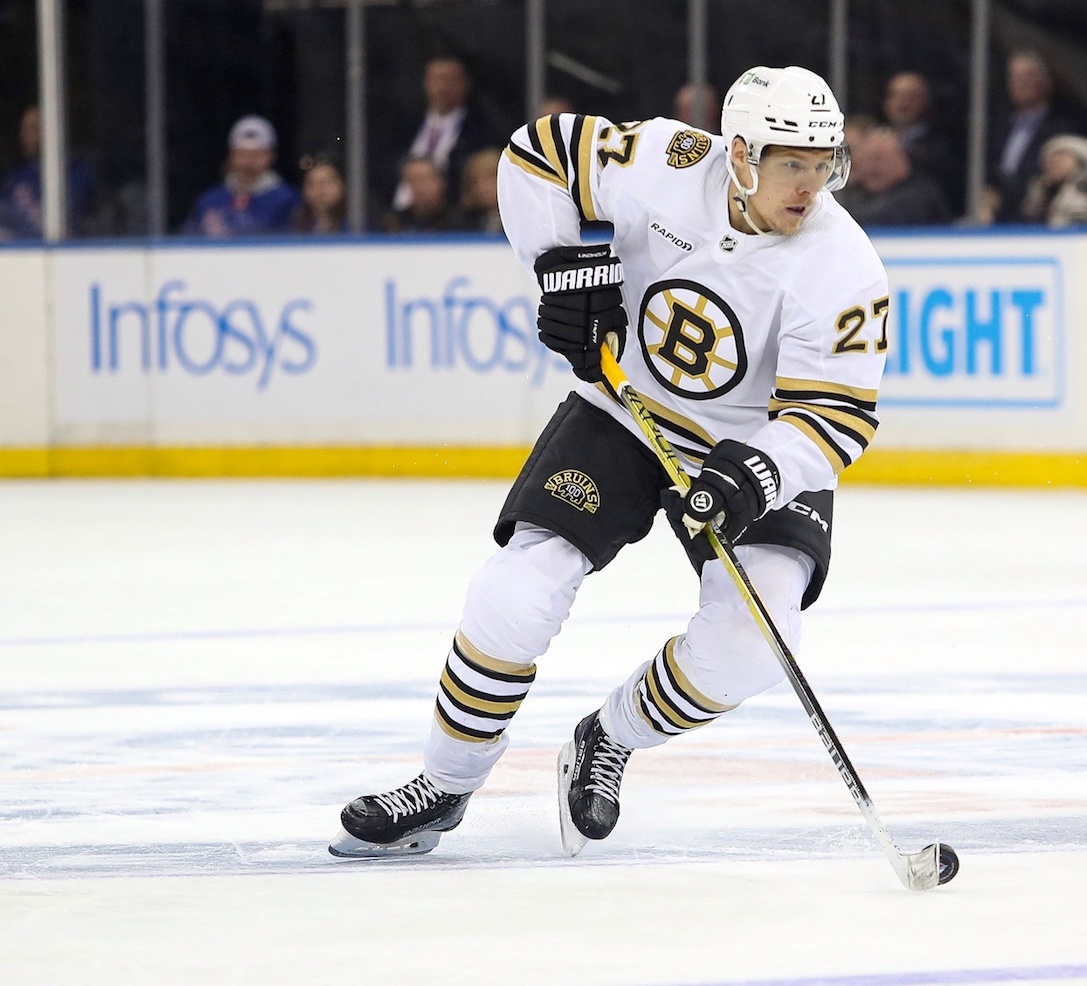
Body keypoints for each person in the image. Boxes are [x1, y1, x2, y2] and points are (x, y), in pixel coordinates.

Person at [329, 65, 889, 860]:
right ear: (737, 154)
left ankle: (609, 737)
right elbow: (536, 155)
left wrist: (753, 475)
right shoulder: (666, 160)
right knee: (514, 592)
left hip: (749, 449)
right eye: (788, 161)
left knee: (752, 648)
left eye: (823, 161)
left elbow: (833, 418)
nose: (811, 184)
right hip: (625, 411)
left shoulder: (845, 269)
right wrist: (557, 263)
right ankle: (445, 786)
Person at [391, 55, 496, 211]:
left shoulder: (482, 132)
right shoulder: (400, 127)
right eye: (436, 79)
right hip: (394, 223)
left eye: (450, 79)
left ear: (465, 84)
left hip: (451, 224)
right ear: (425, 82)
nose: (442, 87)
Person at [989, 49, 1078, 223]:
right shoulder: (998, 126)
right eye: (1015, 77)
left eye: (1028, 76)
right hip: (999, 219)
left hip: (1040, 218)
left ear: (1046, 83)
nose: (1020, 82)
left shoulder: (1063, 127)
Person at [0, 105, 96, 241]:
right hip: (22, 257)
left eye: (33, 129)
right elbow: (0, 229)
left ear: (52, 131)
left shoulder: (78, 174)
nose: (25, 136)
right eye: (24, 129)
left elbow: (88, 226)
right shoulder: (16, 179)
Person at [182, 115, 299, 237]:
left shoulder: (287, 199)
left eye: (257, 155)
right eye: (242, 154)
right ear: (231, 155)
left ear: (270, 156)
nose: (248, 161)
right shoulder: (210, 200)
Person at [836, 128, 952, 226]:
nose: (871, 168)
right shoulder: (851, 193)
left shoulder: (919, 194)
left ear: (902, 160)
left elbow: (887, 217)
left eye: (878, 159)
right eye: (865, 160)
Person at [882, 71, 961, 212]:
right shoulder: (876, 141)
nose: (903, 103)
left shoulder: (941, 147)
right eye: (896, 96)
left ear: (926, 102)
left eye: (911, 97)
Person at [1020, 134, 1087, 227]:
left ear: (1080, 159)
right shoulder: (1043, 190)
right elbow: (1029, 218)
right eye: (1051, 160)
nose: (1055, 164)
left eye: (1062, 158)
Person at [383, 156, 462, 233]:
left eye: (423, 179)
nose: (418, 186)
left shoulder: (461, 222)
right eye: (411, 180)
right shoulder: (394, 224)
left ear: (441, 182)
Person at [291, 156, 348, 235]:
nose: (320, 190)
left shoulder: (357, 223)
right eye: (312, 184)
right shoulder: (293, 226)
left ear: (341, 185)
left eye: (325, 183)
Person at [459, 147, 503, 233]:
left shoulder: (522, 219)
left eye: (489, 178)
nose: (482, 187)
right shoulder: (461, 224)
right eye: (475, 181)